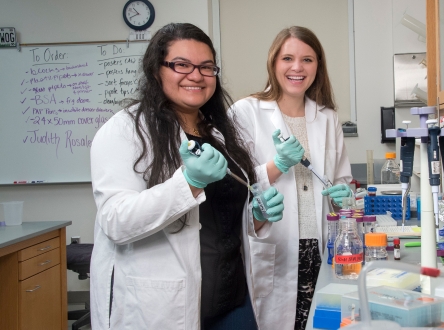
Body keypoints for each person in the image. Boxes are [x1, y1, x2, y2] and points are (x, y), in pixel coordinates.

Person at [89, 23, 285, 330]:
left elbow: (222, 219)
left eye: (206, 67)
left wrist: (256, 216)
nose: (196, 75)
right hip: (163, 308)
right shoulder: (125, 130)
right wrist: (189, 183)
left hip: (232, 299)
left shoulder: (219, 133)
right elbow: (116, 221)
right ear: (157, 70)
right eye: (182, 65)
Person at [230, 26, 353, 329]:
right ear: (273, 63)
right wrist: (277, 165)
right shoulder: (246, 112)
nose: (297, 67)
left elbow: (341, 181)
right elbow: (233, 182)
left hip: (320, 248)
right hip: (275, 245)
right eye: (288, 58)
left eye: (307, 60)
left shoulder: (327, 117)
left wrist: (344, 197)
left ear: (318, 66)